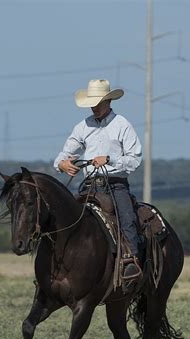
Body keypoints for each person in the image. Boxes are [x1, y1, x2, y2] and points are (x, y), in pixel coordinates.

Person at [54, 79, 143, 282]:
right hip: (89, 185)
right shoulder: (82, 127)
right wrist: (62, 164)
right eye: (91, 103)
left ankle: (131, 263)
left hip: (115, 184)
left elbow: (134, 159)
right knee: (67, 218)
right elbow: (65, 154)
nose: (93, 107)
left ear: (108, 102)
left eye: (97, 103)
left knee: (127, 218)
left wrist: (110, 159)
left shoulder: (122, 125)